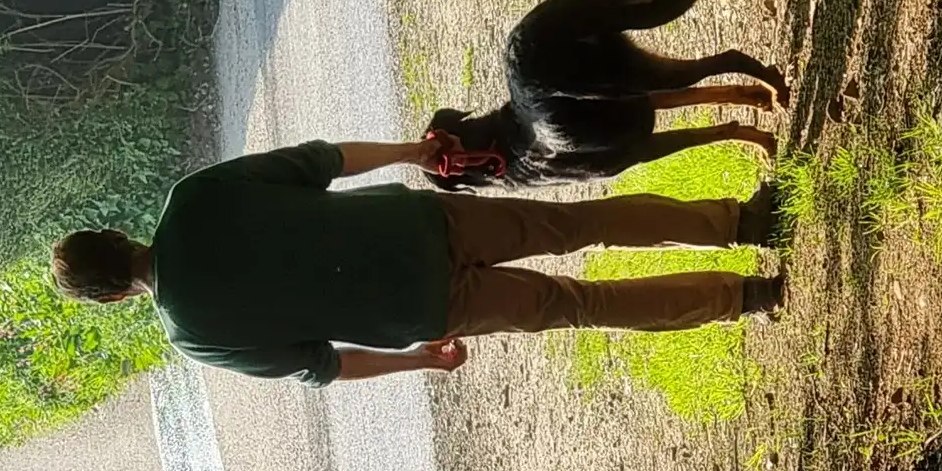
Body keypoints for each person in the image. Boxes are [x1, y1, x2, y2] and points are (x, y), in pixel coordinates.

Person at [50, 138, 784, 385]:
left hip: (422, 308)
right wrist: (412, 150)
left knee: (579, 306)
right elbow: (323, 160)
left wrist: (424, 362)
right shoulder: (195, 198)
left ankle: (746, 298)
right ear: (116, 236)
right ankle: (744, 219)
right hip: (420, 221)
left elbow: (326, 365)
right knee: (576, 222)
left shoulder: (197, 338)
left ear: (114, 297)